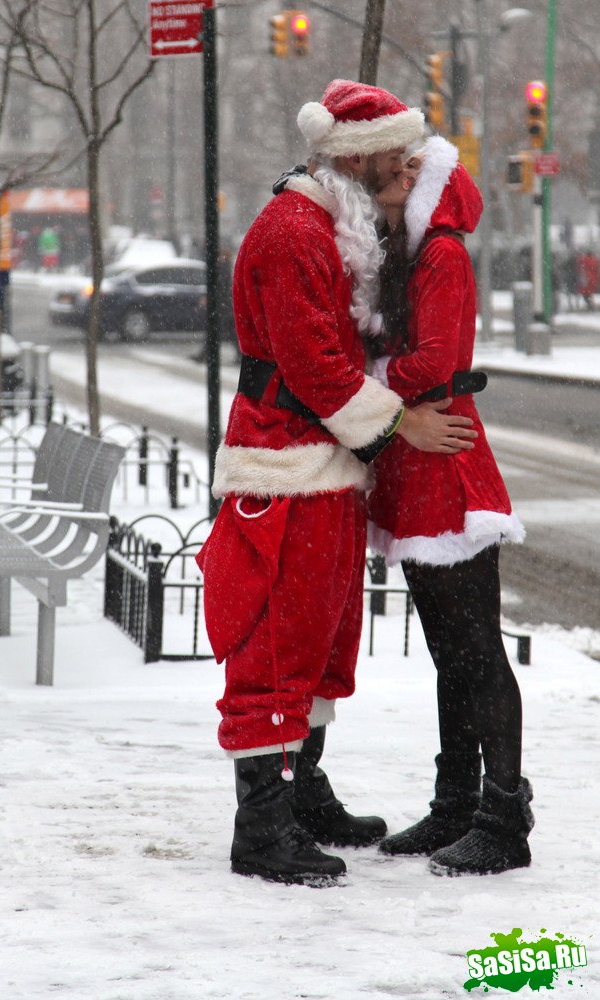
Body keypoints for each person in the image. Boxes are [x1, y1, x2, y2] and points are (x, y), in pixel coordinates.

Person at [196, 81, 478, 887]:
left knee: (319, 646)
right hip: (284, 469)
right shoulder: (294, 233)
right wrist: (402, 423)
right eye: (395, 157)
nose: (406, 168)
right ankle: (262, 827)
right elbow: (317, 365)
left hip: (319, 467)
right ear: (353, 161)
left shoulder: (331, 224)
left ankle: (301, 794)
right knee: (276, 648)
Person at [366, 135, 534, 876]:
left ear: (429, 179)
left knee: (475, 651)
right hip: (416, 459)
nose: (395, 174)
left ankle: (501, 819)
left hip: (447, 466)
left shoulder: (441, 253)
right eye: (390, 165)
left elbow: (434, 359)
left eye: (411, 166)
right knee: (447, 651)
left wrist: (367, 375)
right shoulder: (403, 253)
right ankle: (454, 805)